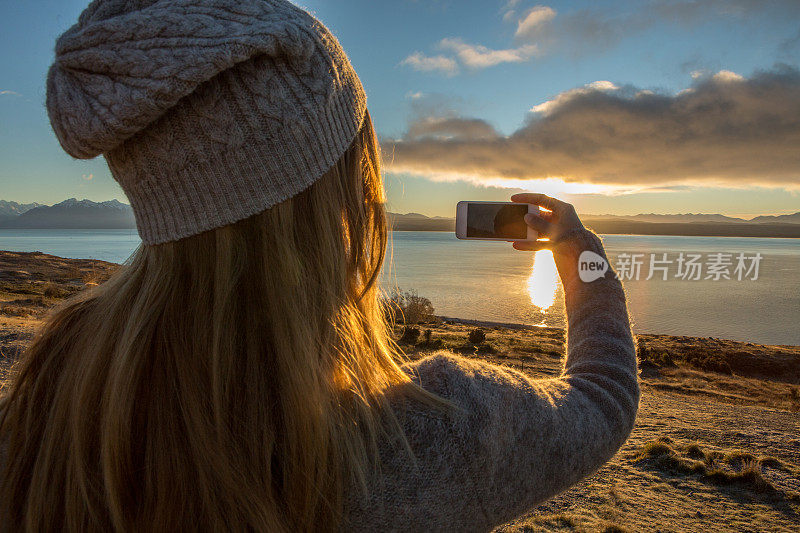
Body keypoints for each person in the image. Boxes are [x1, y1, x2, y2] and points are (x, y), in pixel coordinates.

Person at [0, 0, 639, 531]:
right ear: (346, 190)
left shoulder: (58, 385)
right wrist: (579, 253)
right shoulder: (434, 434)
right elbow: (604, 400)